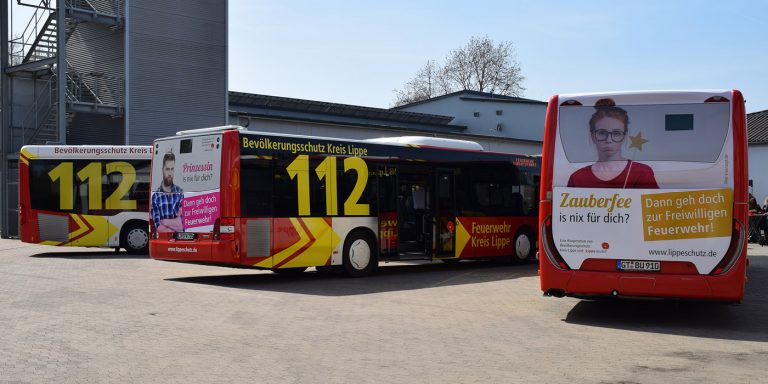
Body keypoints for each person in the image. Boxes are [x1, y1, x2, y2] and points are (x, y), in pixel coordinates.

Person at [567, 98, 658, 189]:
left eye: (616, 133)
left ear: (624, 137)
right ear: (593, 137)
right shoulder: (577, 178)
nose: (609, 140)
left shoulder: (642, 172)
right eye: (602, 133)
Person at [151, 152, 184, 232]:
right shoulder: (156, 196)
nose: (170, 173)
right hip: (165, 239)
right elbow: (158, 226)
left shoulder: (180, 193)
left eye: (172, 169)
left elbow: (182, 224)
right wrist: (174, 224)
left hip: (179, 239)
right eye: (167, 169)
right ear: (162, 170)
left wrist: (165, 222)